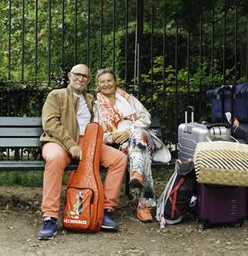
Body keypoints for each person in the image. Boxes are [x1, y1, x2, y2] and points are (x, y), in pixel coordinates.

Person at [38, 64, 128, 240]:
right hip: (59, 142)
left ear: (88, 80)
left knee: (118, 159)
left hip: (88, 144)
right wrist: (71, 144)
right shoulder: (56, 95)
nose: (81, 79)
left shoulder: (89, 99)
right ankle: (49, 217)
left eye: (85, 76)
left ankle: (104, 210)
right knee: (55, 158)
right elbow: (50, 123)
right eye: (77, 75)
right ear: (70, 76)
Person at [93, 68, 165, 223]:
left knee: (138, 136)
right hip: (118, 145)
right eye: (102, 82)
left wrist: (129, 130)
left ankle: (137, 177)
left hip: (142, 139)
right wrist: (112, 137)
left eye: (109, 80)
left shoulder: (128, 99)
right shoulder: (96, 106)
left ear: (115, 81)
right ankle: (142, 203)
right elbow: (96, 131)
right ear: (98, 85)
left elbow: (145, 118)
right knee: (138, 153)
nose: (106, 84)